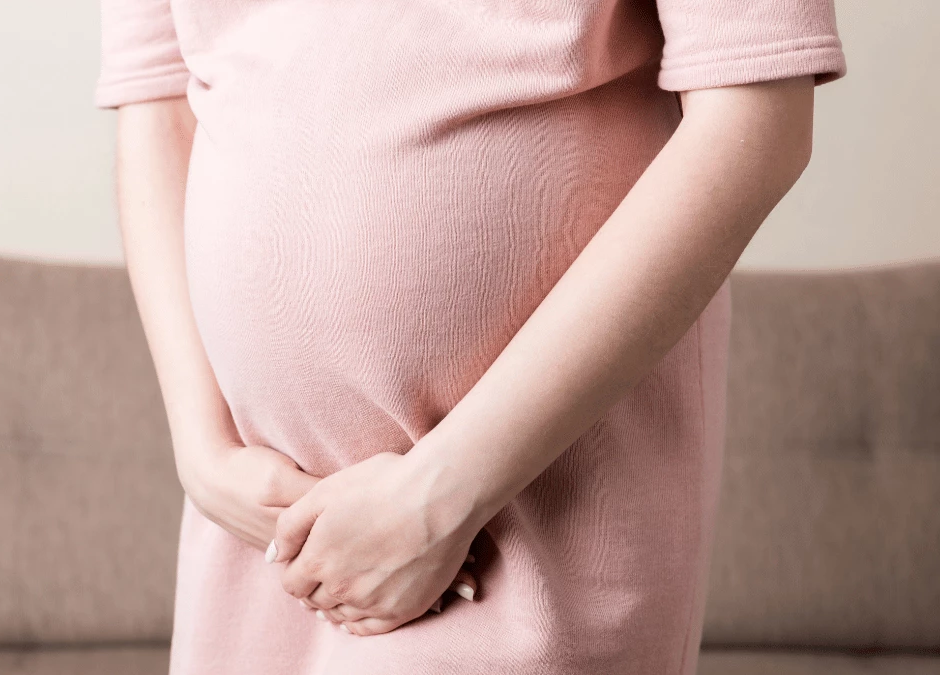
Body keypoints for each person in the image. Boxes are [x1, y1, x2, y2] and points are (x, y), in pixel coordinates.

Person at [94, 0, 846, 672]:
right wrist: (203, 448)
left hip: (516, 511)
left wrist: (445, 492)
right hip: (254, 526)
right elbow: (159, 105)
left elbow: (756, 121)